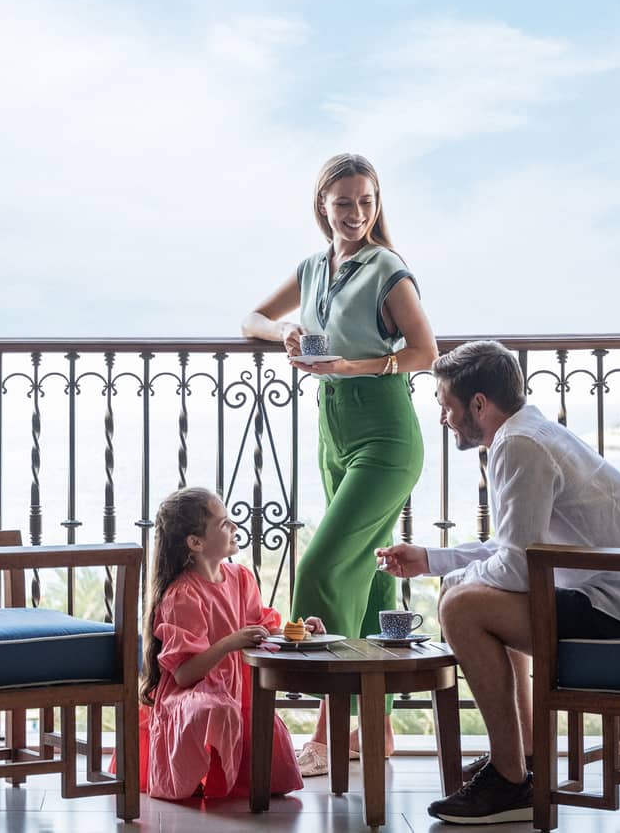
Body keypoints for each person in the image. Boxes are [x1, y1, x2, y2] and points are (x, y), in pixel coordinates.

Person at [376, 340, 620, 825]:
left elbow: (518, 568)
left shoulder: (519, 445)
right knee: (473, 594)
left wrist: (457, 581)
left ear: (478, 404)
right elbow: (517, 550)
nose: (443, 418)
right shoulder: (529, 432)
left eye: (446, 405)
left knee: (463, 607)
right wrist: (433, 560)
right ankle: (524, 758)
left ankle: (510, 781)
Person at [241, 153, 438, 775]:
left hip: (385, 433)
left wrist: (357, 365)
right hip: (334, 431)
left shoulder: (387, 269)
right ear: (322, 205)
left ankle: (327, 733)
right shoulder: (312, 268)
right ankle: (373, 730)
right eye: (344, 202)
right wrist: (285, 333)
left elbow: (426, 351)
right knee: (368, 576)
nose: (356, 213)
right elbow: (250, 318)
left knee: (323, 566)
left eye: (366, 201)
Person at [138, 486, 317, 800]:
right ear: (195, 543)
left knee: (276, 779)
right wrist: (228, 643)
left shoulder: (241, 578)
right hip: (191, 694)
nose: (234, 526)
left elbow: (261, 629)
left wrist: (300, 631)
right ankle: (197, 774)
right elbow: (184, 675)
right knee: (216, 709)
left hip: (236, 690)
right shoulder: (183, 595)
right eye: (223, 523)